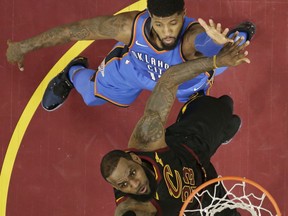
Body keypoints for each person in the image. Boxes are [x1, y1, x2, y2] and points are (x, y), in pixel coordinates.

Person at [6, 0, 256, 111]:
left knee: (224, 52)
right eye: (160, 24)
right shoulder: (128, 27)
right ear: (149, 14)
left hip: (184, 82)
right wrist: (23, 47)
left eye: (173, 22)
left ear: (184, 13)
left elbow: (204, 42)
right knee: (92, 98)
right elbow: (71, 31)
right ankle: (73, 72)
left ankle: (239, 34)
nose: (168, 32)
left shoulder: (193, 37)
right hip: (134, 72)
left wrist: (216, 43)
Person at [100, 35, 250, 216]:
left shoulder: (146, 139)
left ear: (136, 159)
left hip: (190, 144)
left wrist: (217, 61)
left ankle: (215, 122)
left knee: (224, 105)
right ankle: (221, 131)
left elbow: (169, 80)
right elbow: (125, 210)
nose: (134, 184)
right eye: (123, 185)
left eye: (132, 173)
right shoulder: (136, 208)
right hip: (204, 203)